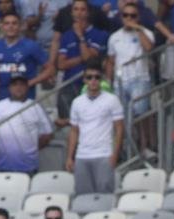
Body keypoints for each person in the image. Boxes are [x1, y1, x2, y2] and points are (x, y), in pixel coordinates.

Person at [105, 3, 156, 155]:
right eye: (126, 15)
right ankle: (126, 150)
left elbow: (148, 48)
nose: (129, 18)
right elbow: (110, 61)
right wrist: (108, 82)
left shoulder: (146, 32)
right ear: (121, 17)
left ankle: (145, 146)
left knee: (141, 113)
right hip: (120, 82)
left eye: (132, 15)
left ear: (138, 17)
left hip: (139, 78)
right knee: (122, 118)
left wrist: (138, 29)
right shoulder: (114, 37)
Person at [64, 63, 122, 195]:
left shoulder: (112, 100)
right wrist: (69, 157)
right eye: (89, 77)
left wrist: (115, 154)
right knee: (83, 195)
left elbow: (119, 129)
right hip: (82, 155)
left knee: (105, 195)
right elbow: (74, 131)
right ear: (84, 80)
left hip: (104, 154)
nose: (93, 81)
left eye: (96, 77)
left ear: (101, 79)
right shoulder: (77, 102)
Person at [0, 71, 54, 174]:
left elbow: (47, 134)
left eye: (22, 84)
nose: (18, 87)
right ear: (9, 87)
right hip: (1, 166)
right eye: (15, 84)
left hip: (29, 167)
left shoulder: (35, 106)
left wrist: (32, 150)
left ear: (27, 87)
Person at [0, 11, 51, 100]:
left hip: (26, 98)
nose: (10, 26)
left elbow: (50, 69)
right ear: (2, 26)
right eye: (7, 23)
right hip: (3, 97)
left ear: (20, 26)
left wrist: (31, 82)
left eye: (14, 23)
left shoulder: (31, 45)